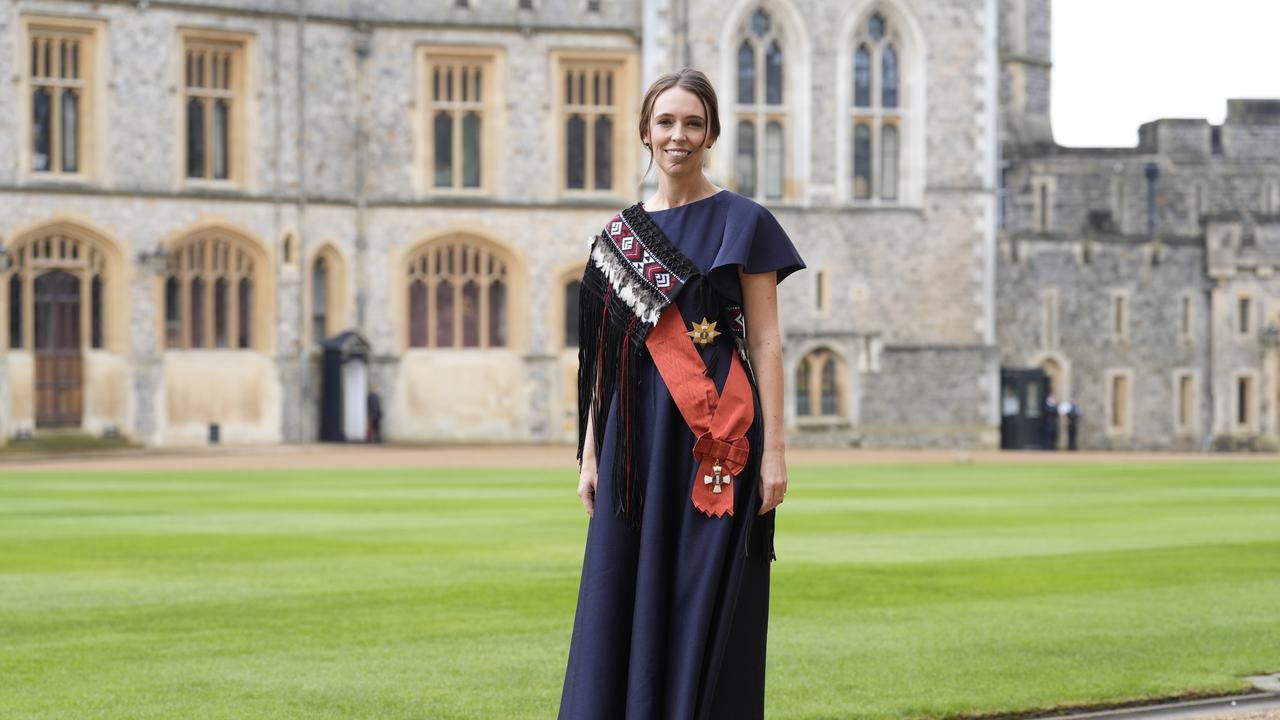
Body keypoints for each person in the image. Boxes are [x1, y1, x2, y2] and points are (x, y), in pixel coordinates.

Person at [559, 69, 805, 720]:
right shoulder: (617, 240)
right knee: (623, 594)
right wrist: (589, 454)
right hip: (632, 450)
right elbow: (604, 361)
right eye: (666, 122)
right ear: (645, 132)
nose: (678, 135)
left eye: (693, 123)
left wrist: (776, 453)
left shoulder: (744, 222)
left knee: (702, 601)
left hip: (715, 446)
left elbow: (769, 342)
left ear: (712, 134)